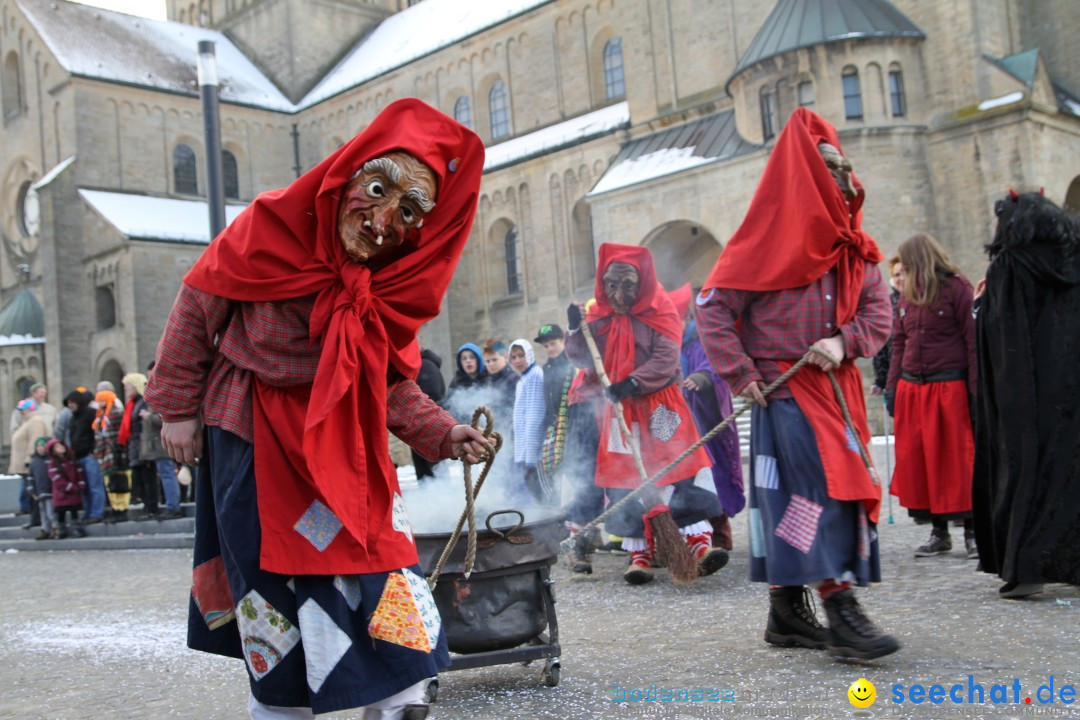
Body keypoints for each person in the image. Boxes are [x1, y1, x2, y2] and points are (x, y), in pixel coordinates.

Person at [145, 98, 488, 720]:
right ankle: (282, 710)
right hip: (254, 437)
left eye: (408, 212)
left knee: (380, 563)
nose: (384, 220)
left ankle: (397, 699)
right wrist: (176, 407)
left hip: (346, 445)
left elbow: (389, 384)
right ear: (348, 179)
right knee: (274, 583)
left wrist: (443, 432)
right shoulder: (268, 228)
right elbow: (196, 307)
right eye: (377, 190)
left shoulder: (386, 286)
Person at [697, 108, 897, 660]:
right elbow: (711, 309)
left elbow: (880, 314)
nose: (841, 182)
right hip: (784, 397)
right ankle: (840, 607)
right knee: (813, 497)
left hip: (835, 395)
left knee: (815, 497)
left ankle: (786, 611)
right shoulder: (761, 243)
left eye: (842, 172)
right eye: (826, 172)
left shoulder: (855, 247)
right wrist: (741, 372)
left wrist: (843, 342)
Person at [565, 244, 724, 585]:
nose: (618, 293)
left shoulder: (661, 311)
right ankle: (640, 552)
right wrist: (576, 329)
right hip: (621, 412)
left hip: (661, 406)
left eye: (627, 285)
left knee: (678, 470)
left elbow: (667, 358)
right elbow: (582, 359)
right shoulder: (600, 317)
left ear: (643, 283)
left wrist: (633, 381)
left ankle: (697, 543)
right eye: (611, 284)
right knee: (628, 478)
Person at [973, 190, 1080, 600]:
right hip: (1071, 395)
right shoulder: (1073, 259)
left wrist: (981, 308)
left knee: (1028, 476)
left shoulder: (1010, 268)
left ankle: (1026, 566)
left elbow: (1003, 338)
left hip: (1028, 399)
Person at [885, 234, 977, 559]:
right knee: (923, 461)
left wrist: (975, 388)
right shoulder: (906, 295)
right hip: (914, 387)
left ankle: (971, 531)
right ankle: (939, 532)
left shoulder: (956, 288)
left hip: (949, 385)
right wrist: (893, 388)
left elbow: (971, 340)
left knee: (957, 461)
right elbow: (899, 343)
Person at [670, 284, 744, 552]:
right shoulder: (670, 346)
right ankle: (692, 538)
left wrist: (701, 379)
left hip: (707, 422)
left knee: (714, 477)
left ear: (686, 318)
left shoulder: (702, 340)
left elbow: (714, 365)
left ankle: (720, 538)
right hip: (680, 426)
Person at [508, 339, 547, 503]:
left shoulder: (535, 376)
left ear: (529, 355)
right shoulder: (524, 378)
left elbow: (535, 412)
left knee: (540, 489)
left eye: (521, 356)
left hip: (534, 448)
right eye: (514, 357)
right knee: (531, 487)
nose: (517, 361)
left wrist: (530, 452)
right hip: (525, 445)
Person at [9, 398, 54, 529]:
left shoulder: (35, 422)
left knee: (33, 492)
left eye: (23, 410)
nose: (21, 413)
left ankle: (36, 518)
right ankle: (34, 517)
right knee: (30, 493)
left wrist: (30, 460)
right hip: (25, 465)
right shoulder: (28, 422)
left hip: (29, 464)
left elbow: (35, 441)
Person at [65, 388, 106, 523]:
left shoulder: (90, 413)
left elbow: (99, 432)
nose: (70, 405)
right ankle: (88, 513)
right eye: (68, 403)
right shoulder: (73, 418)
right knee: (85, 487)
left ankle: (97, 512)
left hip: (90, 455)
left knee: (95, 486)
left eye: (72, 402)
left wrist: (95, 450)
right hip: (78, 457)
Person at [139, 401, 183, 519]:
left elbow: (164, 419)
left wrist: (148, 416)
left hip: (161, 448)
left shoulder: (161, 400)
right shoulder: (154, 401)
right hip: (156, 448)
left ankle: (173, 506)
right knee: (165, 476)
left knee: (167, 475)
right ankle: (171, 506)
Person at [93, 388, 130, 522]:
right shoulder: (100, 416)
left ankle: (122, 509)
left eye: (102, 400)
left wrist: (118, 449)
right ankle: (115, 508)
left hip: (117, 453)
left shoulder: (116, 413)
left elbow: (121, 434)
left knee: (121, 482)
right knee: (110, 484)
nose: (99, 403)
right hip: (106, 454)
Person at [870, 257, 903, 397]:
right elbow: (881, 343)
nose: (902, 278)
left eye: (905, 272)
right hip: (896, 375)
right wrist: (880, 380)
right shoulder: (888, 303)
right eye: (897, 275)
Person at [411, 347, 446, 480]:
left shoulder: (426, 365)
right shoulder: (420, 365)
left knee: (435, 472)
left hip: (430, 426)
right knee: (424, 473)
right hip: (418, 426)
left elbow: (433, 395)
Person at [46, 439, 87, 539]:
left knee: (74, 511)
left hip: (74, 491)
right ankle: (61, 530)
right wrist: (70, 487)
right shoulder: (53, 463)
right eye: (57, 447)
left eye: (61, 445)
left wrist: (80, 484)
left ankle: (76, 529)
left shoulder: (71, 460)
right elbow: (56, 479)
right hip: (61, 493)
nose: (61, 448)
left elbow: (79, 473)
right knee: (61, 513)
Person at [121, 373, 149, 512]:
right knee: (138, 473)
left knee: (145, 475)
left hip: (141, 443)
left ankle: (147, 503)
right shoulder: (132, 404)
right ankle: (143, 502)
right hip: (135, 443)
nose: (125, 389)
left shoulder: (142, 402)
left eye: (128, 385)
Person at [442, 343, 488, 422]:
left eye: (472, 357)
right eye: (464, 358)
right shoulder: (456, 382)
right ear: (460, 362)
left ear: (478, 359)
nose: (468, 361)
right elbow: (448, 405)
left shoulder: (488, 378)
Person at [28, 437, 55, 540]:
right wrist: (31, 490)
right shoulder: (34, 461)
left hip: (50, 491)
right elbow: (31, 477)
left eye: (42, 445)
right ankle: (45, 529)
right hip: (39, 492)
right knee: (43, 513)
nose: (40, 448)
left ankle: (55, 528)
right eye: (38, 446)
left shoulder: (50, 460)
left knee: (51, 512)